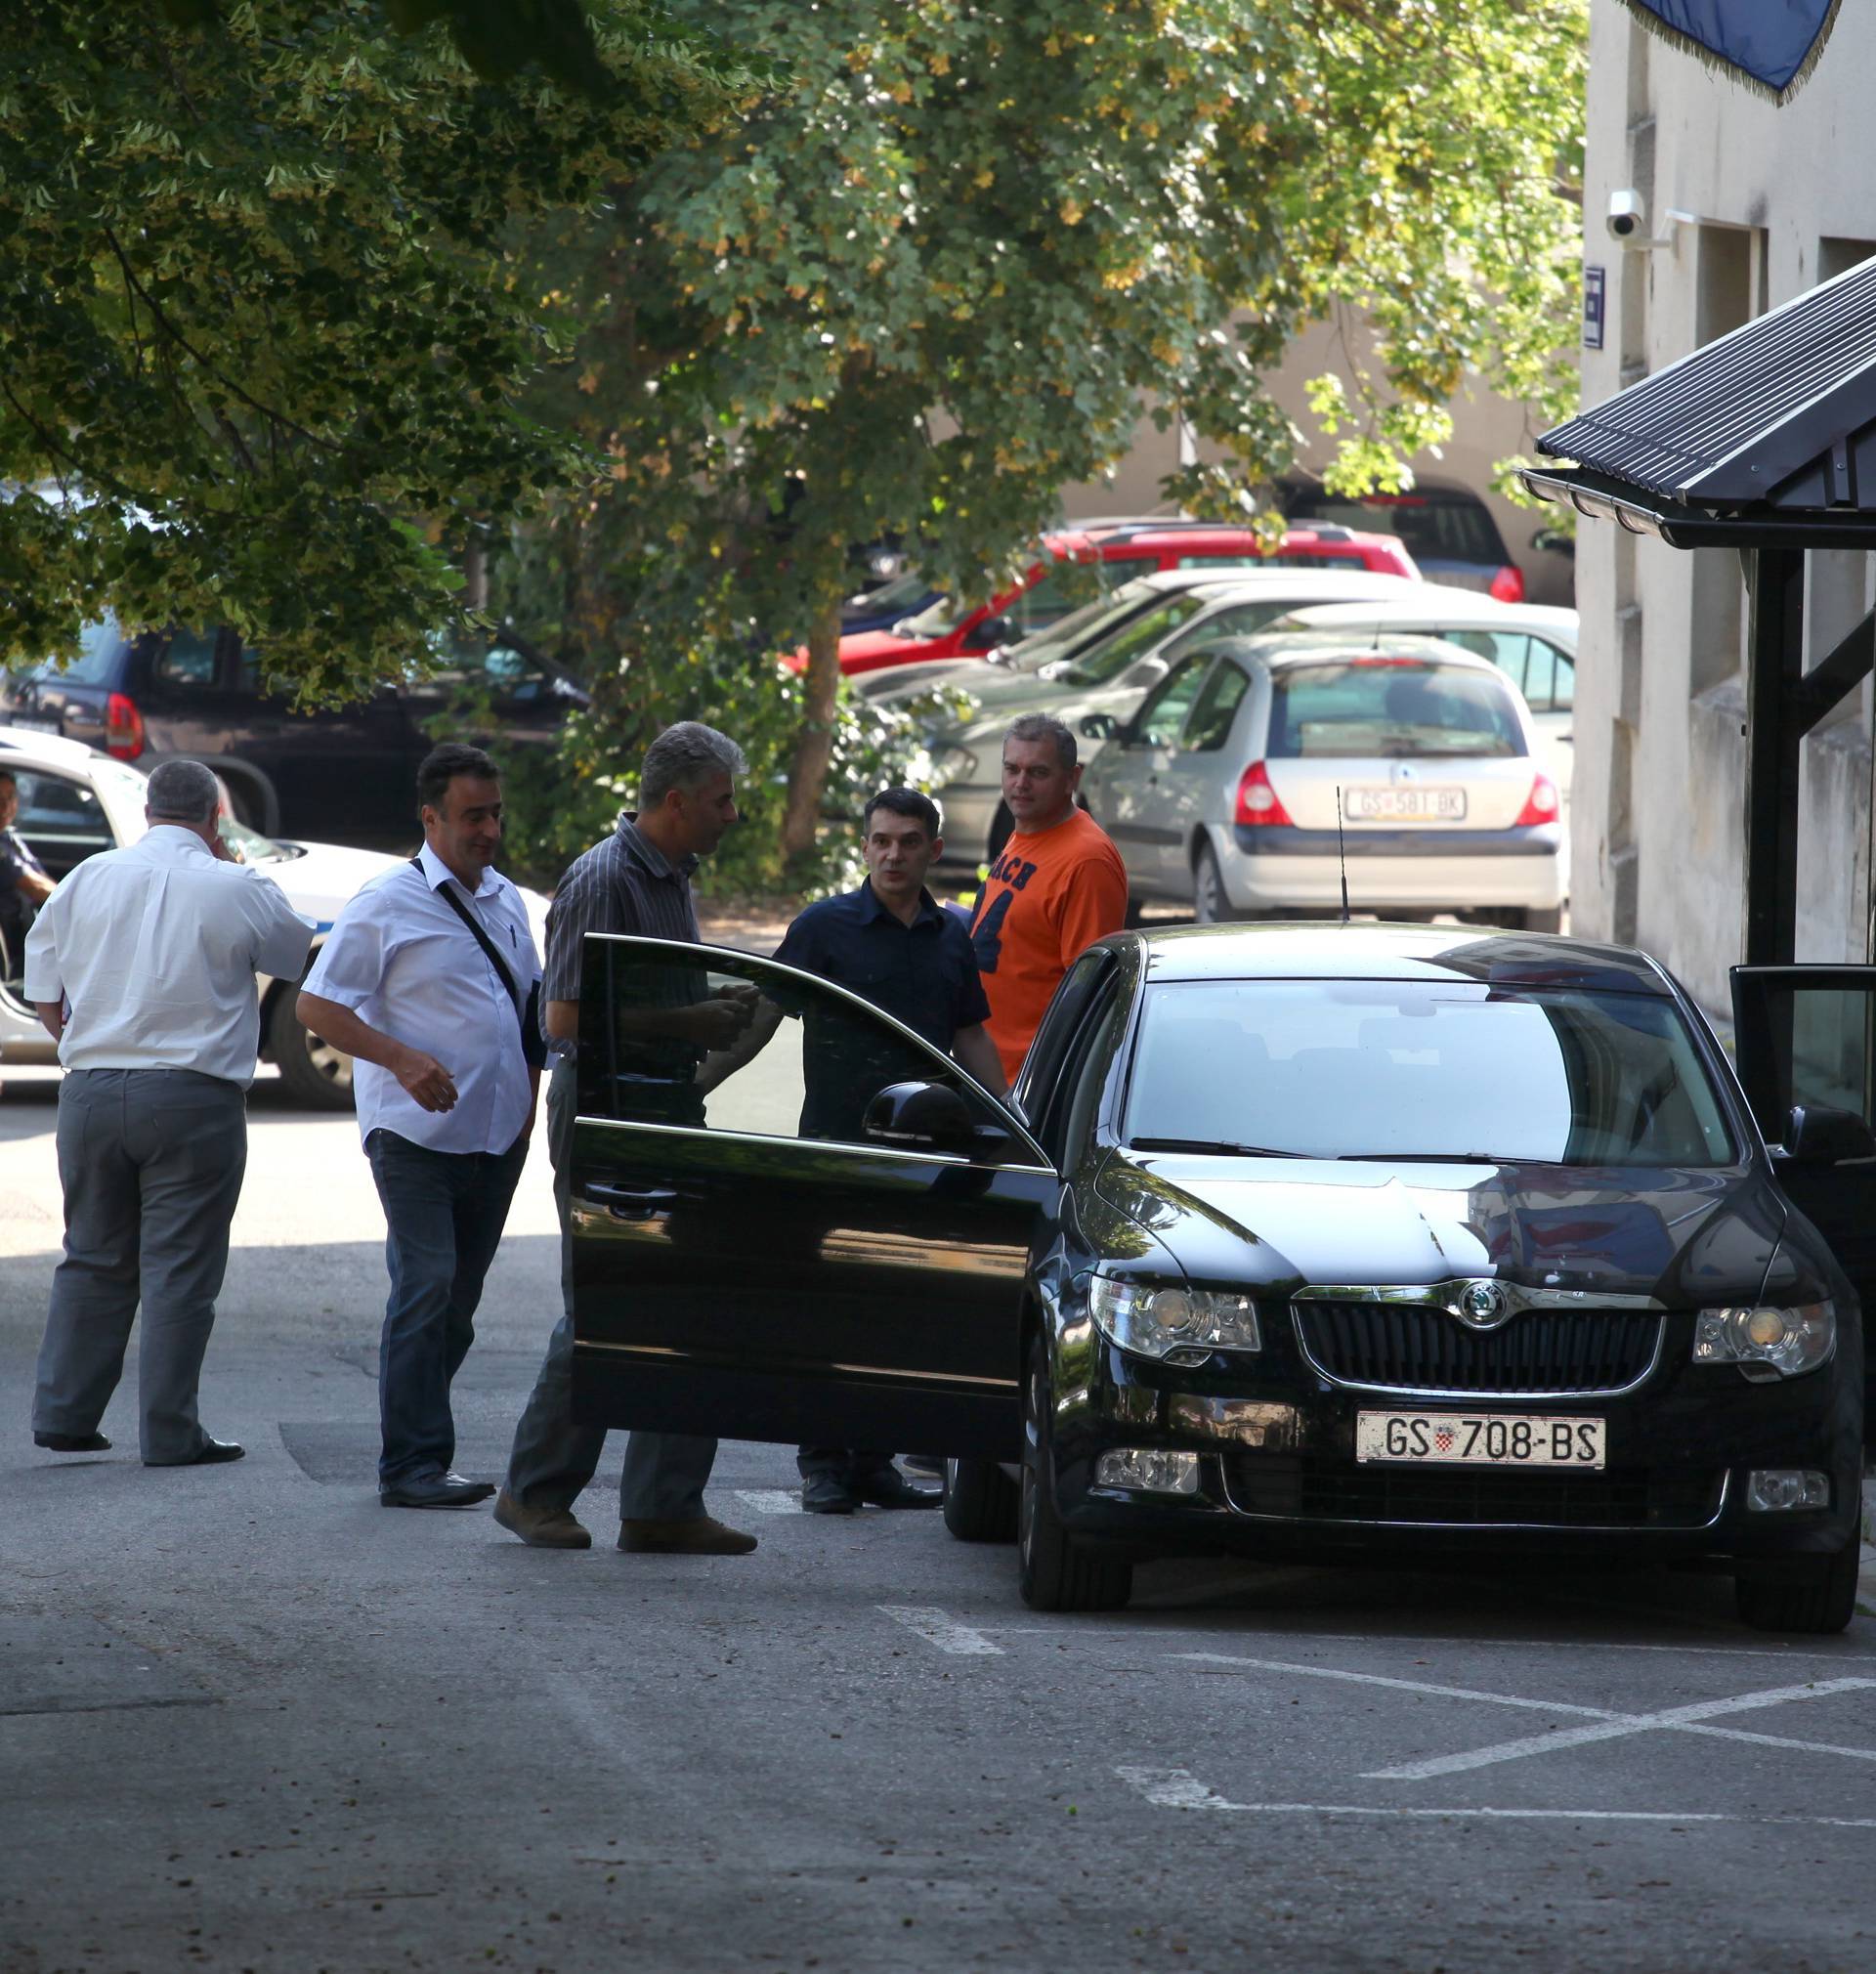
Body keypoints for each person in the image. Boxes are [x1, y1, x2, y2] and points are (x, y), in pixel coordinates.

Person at [494, 721, 759, 1557]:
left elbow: (640, 995)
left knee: (688, 1302)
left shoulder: (673, 874)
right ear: (676, 802)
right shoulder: (603, 880)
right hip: (609, 1103)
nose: (733, 815)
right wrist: (689, 1016)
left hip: (663, 1100)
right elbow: (562, 1020)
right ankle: (533, 1492)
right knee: (603, 1303)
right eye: (721, 801)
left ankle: (663, 1504)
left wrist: (713, 1007)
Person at [25, 757, 313, 1464]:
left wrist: (88, 1042)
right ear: (217, 818)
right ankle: (170, 1431)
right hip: (192, 1097)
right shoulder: (237, 883)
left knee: (91, 1255)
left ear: (147, 811)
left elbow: (43, 988)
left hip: (90, 1090)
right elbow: (296, 955)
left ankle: (64, 1414)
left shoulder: (89, 877)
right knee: (180, 1269)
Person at [297, 744, 544, 1510]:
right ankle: (411, 1464)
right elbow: (317, 1007)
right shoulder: (385, 901)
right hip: (412, 1138)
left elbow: (529, 1014)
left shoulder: (507, 900)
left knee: (456, 1308)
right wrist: (400, 1058)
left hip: (498, 1137)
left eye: (496, 813)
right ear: (431, 817)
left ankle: (418, 1440)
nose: (489, 829)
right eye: (473, 815)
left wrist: (530, 1101)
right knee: (426, 1286)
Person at [767, 787, 1008, 1514]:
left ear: (935, 850)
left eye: (908, 841)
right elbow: (760, 1016)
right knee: (827, 1311)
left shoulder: (950, 937)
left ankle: (874, 1462)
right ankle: (823, 1466)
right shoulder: (823, 928)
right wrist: (691, 1089)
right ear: (864, 847)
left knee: (896, 1310)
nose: (893, 854)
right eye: (881, 840)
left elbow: (968, 1036)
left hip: (916, 1159)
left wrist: (1008, 1121)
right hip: (836, 1153)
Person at [969, 712, 1130, 1079]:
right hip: (985, 1070)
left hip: (1028, 1086)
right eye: (1012, 769)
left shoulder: (1087, 860)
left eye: (1038, 773)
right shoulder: (1026, 830)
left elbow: (1090, 993)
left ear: (1072, 778)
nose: (1020, 784)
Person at [0, 766, 55, 979]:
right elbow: (35, 887)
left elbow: (42, 879)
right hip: (13, 958)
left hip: (28, 940)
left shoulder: (10, 838)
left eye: (10, 797)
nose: (5, 807)